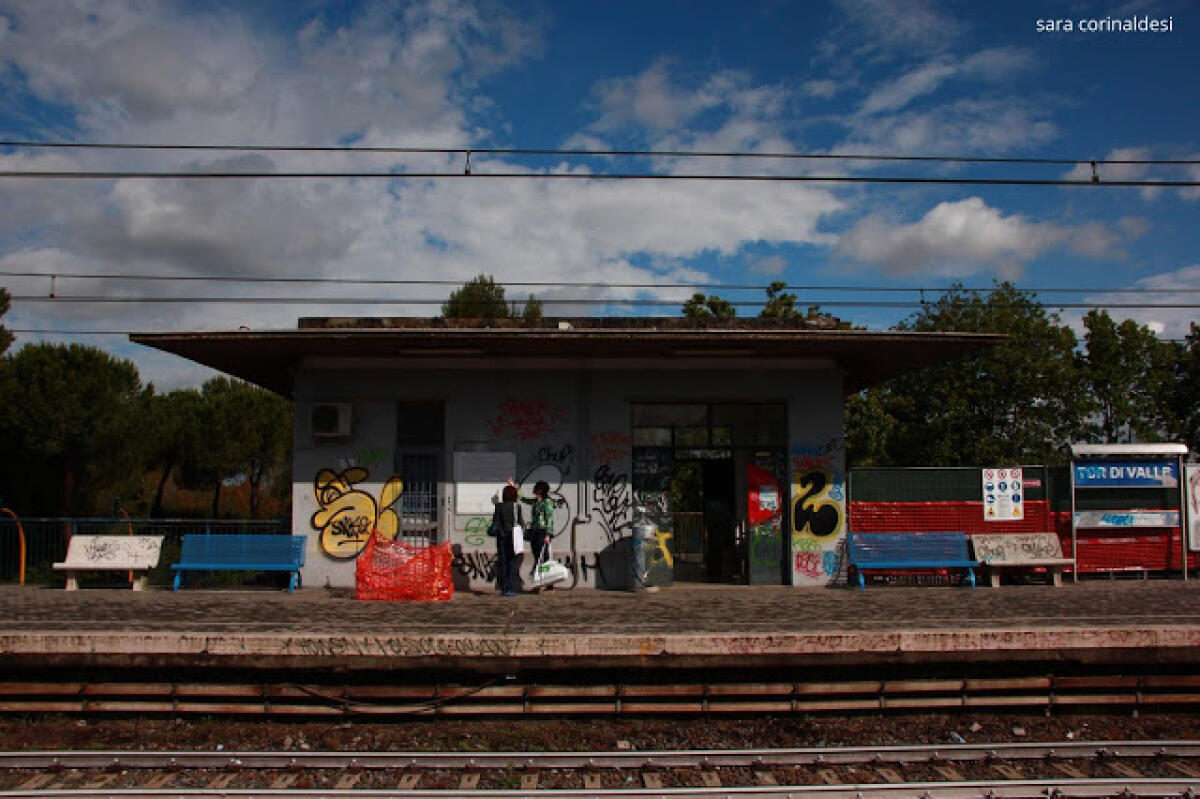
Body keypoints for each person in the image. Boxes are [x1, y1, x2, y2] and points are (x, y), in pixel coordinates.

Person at [491, 484, 523, 597]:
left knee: (503, 563)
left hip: (502, 538)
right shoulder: (517, 507)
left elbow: (496, 521)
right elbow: (520, 523)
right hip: (514, 538)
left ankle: (504, 588)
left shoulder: (499, 507)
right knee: (513, 563)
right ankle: (511, 588)